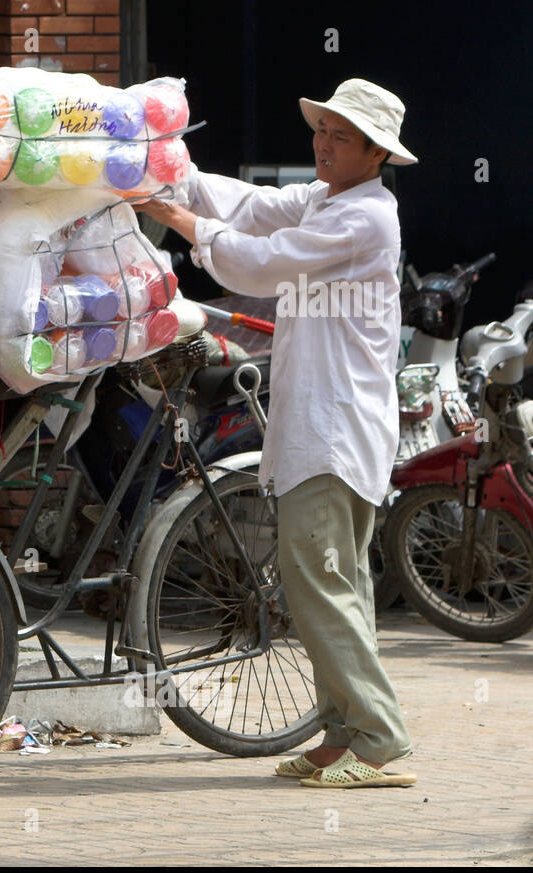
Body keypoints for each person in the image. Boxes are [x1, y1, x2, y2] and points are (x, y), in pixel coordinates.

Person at [141, 79, 417, 788]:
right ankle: (344, 731)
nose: (324, 144)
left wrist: (176, 216)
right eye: (322, 130)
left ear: (376, 153)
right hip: (327, 428)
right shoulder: (327, 199)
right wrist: (177, 174)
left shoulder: (364, 218)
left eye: (341, 137)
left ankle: (379, 739)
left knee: (317, 582)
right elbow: (254, 206)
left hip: (335, 431)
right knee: (334, 583)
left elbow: (263, 262)